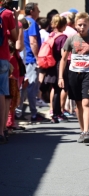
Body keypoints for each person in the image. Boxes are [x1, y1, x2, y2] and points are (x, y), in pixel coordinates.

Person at [58, 12, 89, 142]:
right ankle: (82, 131)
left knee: (86, 102)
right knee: (78, 104)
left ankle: (86, 132)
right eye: (79, 25)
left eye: (84, 25)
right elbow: (63, 59)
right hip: (73, 74)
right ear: (75, 25)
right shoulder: (71, 39)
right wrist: (61, 77)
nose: (82, 27)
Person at [19, 2, 49, 122]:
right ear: (32, 11)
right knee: (32, 87)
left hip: (23, 59)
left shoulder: (23, 22)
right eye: (37, 9)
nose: (39, 12)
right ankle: (33, 114)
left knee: (23, 87)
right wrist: (37, 58)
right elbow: (33, 42)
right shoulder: (32, 23)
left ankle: (19, 112)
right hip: (30, 59)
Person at [42, 14, 68, 123]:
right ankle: (57, 113)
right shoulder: (63, 37)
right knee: (59, 89)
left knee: (54, 89)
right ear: (63, 25)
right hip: (59, 64)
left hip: (50, 64)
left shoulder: (51, 35)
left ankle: (54, 111)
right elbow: (63, 53)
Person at [0, 0, 19, 144]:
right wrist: (16, 17)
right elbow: (15, 37)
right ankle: (1, 131)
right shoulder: (7, 14)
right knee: (3, 94)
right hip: (2, 57)